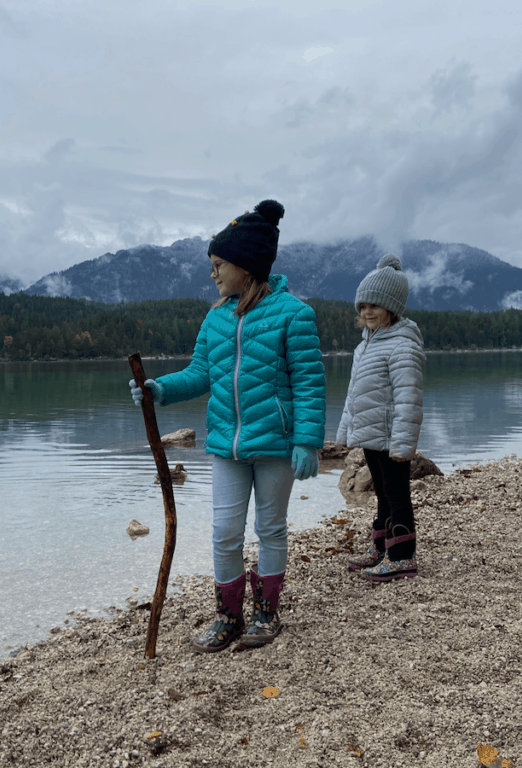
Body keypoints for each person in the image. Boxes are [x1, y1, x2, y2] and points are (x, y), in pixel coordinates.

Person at [129, 199, 326, 653]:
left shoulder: (294, 315)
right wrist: (160, 390)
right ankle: (228, 616)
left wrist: (307, 442)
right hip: (225, 446)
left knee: (271, 529)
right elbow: (200, 372)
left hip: (276, 444)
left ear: (246, 265)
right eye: (212, 265)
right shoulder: (216, 318)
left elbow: (311, 384)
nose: (213, 274)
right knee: (224, 532)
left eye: (219, 265)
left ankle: (267, 614)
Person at [336, 253, 425, 581]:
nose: (367, 311)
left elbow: (409, 398)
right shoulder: (364, 347)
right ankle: (382, 547)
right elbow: (353, 394)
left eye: (374, 304)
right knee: (382, 493)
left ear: (392, 307)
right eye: (362, 306)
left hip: (391, 436)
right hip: (372, 435)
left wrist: (403, 443)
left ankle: (402, 556)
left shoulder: (403, 345)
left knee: (397, 492)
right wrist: (346, 430)